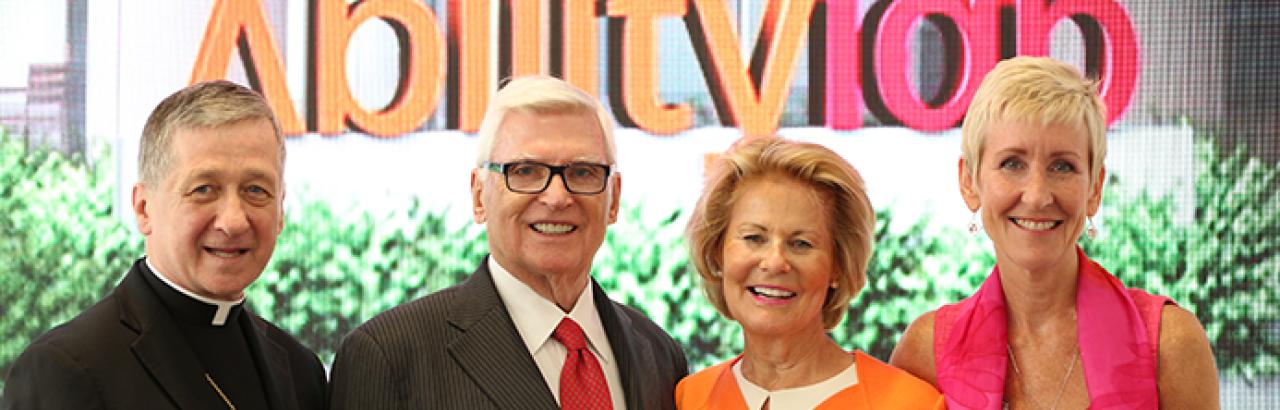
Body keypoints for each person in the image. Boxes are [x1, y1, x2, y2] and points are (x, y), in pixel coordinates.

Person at [327, 75, 688, 409]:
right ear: (479, 196)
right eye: (526, 171)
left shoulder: (657, 354)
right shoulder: (389, 355)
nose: (557, 197)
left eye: (583, 172)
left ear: (614, 199)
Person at [890, 56, 1220, 409]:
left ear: (1094, 188)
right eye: (1012, 163)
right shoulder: (925, 355)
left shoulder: (1171, 345)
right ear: (969, 182)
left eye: (1063, 166)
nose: (1037, 196)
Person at [1, 80, 326, 409]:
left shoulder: (302, 372)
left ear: (280, 208)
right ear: (144, 208)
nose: (233, 221)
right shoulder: (66, 370)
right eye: (204, 189)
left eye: (255, 190)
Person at [677, 138, 944, 409]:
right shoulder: (690, 397)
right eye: (754, 238)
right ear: (716, 252)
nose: (775, 262)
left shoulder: (908, 403)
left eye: (801, 243)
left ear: (838, 266)